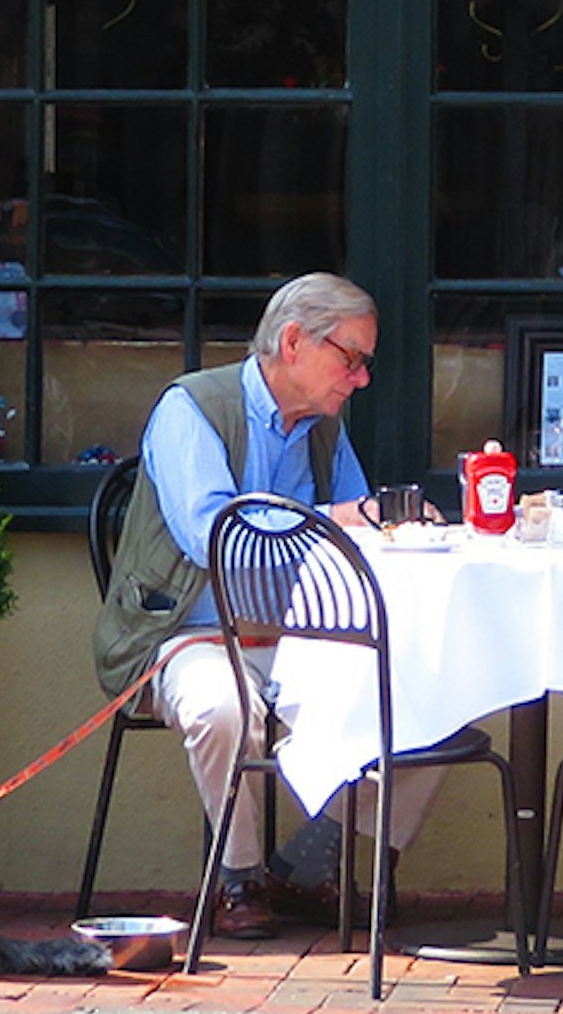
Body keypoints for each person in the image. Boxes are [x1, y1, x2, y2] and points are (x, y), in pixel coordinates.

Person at [88, 274, 437, 939]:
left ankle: (314, 862)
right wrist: (338, 518)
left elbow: (358, 543)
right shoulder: (191, 409)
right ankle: (239, 878)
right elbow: (212, 537)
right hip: (186, 633)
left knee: (424, 695)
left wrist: (403, 531)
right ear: (294, 340)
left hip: (297, 639)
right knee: (223, 706)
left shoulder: (326, 430)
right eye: (352, 358)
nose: (361, 379)